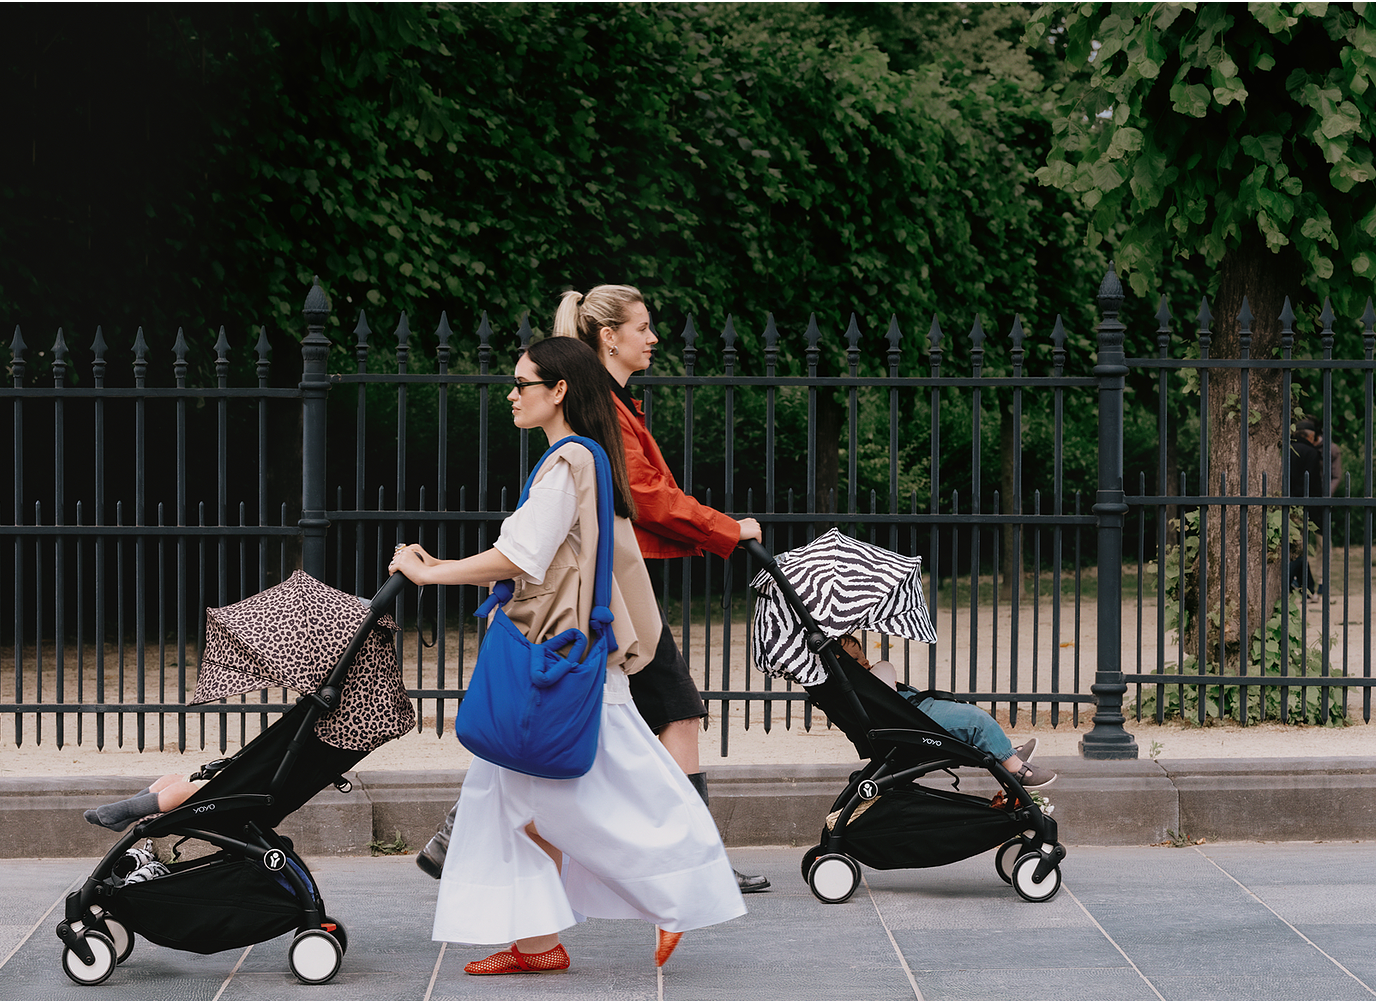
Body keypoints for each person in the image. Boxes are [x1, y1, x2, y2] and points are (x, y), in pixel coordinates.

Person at [389, 336, 744, 975]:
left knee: (588, 790)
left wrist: (431, 574)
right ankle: (538, 943)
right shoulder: (584, 459)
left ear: (558, 391)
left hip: (555, 659)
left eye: (522, 384)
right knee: (513, 801)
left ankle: (673, 892)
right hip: (569, 653)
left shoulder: (566, 464)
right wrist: (443, 568)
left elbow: (519, 557)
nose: (512, 395)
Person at [555, 282, 768, 892]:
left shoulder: (609, 402)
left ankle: (691, 857)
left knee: (610, 714)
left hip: (608, 584)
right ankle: (699, 862)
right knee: (674, 711)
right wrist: (729, 529)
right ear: (608, 335)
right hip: (612, 589)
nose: (652, 338)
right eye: (642, 327)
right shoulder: (601, 407)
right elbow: (647, 497)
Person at [824, 633, 1054, 787]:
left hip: (916, 710)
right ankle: (1014, 768)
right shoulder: (854, 686)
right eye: (856, 659)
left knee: (966, 715)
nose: (865, 662)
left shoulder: (863, 682)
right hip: (914, 721)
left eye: (864, 656)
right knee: (975, 722)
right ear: (838, 663)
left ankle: (1005, 753)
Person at [1287, 418, 1326, 595]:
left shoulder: (1288, 450)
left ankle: (1306, 585)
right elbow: (1314, 484)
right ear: (1310, 436)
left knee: (1294, 545)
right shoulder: (1311, 452)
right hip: (1305, 504)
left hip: (1287, 503)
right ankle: (1294, 583)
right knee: (1300, 547)